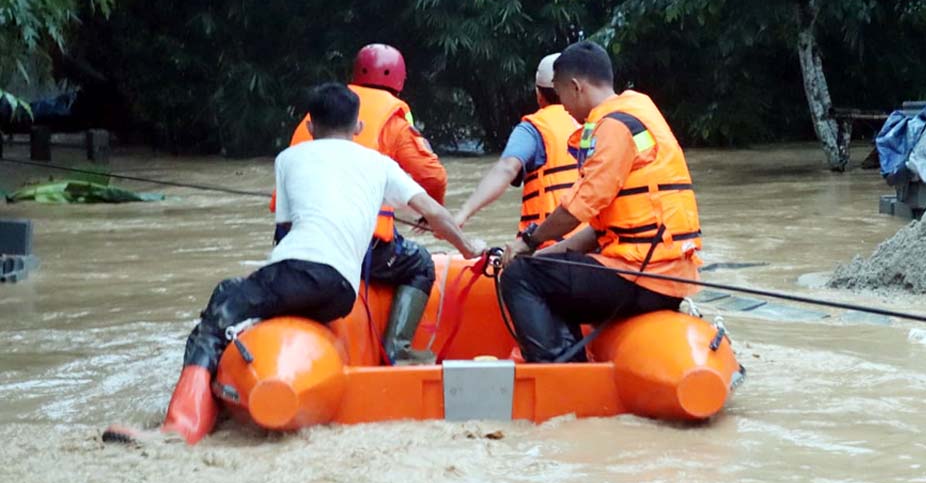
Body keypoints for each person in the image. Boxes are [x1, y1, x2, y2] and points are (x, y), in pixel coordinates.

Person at [157, 83, 485, 445]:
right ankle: (398, 351)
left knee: (223, 299)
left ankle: (182, 425)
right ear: (358, 127)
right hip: (340, 293)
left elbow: (283, 235)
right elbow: (435, 212)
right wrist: (469, 247)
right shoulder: (380, 164)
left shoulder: (288, 159)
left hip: (296, 272)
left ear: (310, 127)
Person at [499, 41, 703, 363]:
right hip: (665, 272)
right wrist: (542, 252)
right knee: (537, 268)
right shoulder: (640, 112)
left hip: (641, 274)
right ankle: (573, 361)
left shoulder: (613, 127)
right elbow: (598, 228)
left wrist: (527, 241)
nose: (563, 106)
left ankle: (561, 374)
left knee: (519, 277)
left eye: (561, 94)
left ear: (575, 87)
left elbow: (577, 208)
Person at [272, 44, 447, 365]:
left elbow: (280, 212)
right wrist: (431, 211)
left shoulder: (312, 120)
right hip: (365, 246)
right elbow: (432, 175)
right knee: (421, 263)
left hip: (298, 251)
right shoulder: (393, 117)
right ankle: (398, 349)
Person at [454, 54, 581, 245]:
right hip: (593, 247)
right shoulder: (595, 123)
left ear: (538, 94)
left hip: (545, 249)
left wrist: (462, 214)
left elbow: (506, 168)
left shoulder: (532, 129)